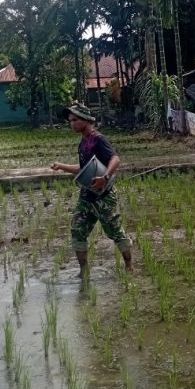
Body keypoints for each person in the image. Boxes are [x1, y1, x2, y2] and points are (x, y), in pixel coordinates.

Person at [50, 104, 133, 277]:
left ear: (86, 120)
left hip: (103, 196)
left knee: (115, 231)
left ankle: (129, 266)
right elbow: (83, 168)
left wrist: (105, 177)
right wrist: (61, 166)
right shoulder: (83, 142)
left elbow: (115, 159)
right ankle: (83, 271)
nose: (71, 124)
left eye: (75, 120)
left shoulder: (98, 139)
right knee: (77, 231)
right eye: (70, 121)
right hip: (87, 196)